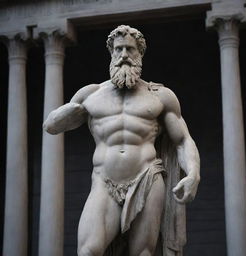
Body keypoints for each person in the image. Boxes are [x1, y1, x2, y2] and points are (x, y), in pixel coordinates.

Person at [43, 25, 200, 256]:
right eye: (118, 49)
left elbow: (183, 141)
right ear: (111, 53)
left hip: (147, 178)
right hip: (104, 181)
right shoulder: (91, 94)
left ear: (140, 54)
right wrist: (71, 111)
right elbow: (51, 126)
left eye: (130, 49)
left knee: (143, 253)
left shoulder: (160, 96)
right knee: (88, 250)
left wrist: (194, 174)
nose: (124, 55)